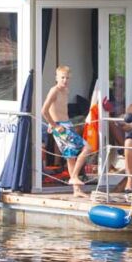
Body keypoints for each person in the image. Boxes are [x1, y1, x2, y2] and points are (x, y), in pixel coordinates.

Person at [41, 65, 92, 197]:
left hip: (66, 124)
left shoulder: (66, 91)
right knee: (87, 148)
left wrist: (61, 124)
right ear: (56, 78)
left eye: (67, 78)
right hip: (60, 127)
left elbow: (59, 109)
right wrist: (53, 124)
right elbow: (44, 110)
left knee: (70, 157)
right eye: (62, 77)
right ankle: (74, 177)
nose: (65, 80)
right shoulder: (54, 91)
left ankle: (76, 190)